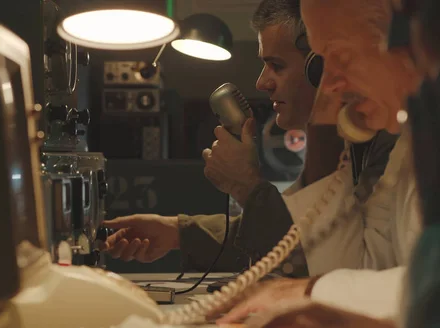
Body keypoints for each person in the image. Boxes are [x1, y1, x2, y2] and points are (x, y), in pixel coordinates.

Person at [100, 0, 395, 283]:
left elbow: (330, 267)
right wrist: (177, 232)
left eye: (277, 65)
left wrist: (248, 186)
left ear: (318, 68)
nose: (262, 83)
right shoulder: (349, 140)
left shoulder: (390, 147)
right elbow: (301, 232)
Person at [215, 0, 429, 328]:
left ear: (415, 41)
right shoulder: (406, 147)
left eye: (339, 57)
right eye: (321, 65)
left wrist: (310, 289)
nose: (326, 87)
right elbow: (361, 268)